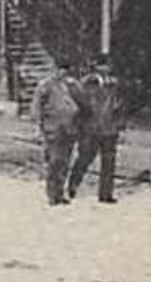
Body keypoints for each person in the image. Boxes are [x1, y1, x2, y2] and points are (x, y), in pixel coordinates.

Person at [68, 53, 123, 204]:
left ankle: (105, 194)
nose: (105, 68)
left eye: (107, 65)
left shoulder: (114, 84)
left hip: (109, 128)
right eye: (102, 65)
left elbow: (119, 105)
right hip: (90, 128)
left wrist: (118, 122)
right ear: (96, 67)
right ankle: (72, 186)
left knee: (109, 162)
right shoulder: (86, 83)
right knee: (84, 159)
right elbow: (77, 104)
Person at [29, 61, 85, 206]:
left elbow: (83, 103)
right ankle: (52, 194)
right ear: (55, 69)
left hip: (70, 129)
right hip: (52, 129)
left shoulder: (73, 85)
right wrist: (36, 127)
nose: (63, 73)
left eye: (66, 70)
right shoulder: (46, 85)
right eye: (61, 70)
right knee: (54, 161)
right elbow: (36, 107)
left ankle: (60, 193)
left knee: (65, 162)